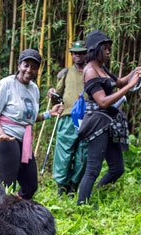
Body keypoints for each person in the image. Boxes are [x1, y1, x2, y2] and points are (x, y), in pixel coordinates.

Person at [0, 49, 63, 199]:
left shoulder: (34, 89)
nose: (29, 70)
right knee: (5, 185)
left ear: (37, 70)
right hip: (4, 137)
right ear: (19, 65)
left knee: (30, 186)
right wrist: (1, 133)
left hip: (23, 139)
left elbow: (27, 118)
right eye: (26, 65)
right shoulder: (6, 84)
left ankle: (13, 211)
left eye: (34, 67)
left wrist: (49, 113)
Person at [76, 30, 141, 205]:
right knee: (93, 168)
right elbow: (103, 102)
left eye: (109, 48)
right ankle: (81, 206)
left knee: (117, 168)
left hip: (109, 123)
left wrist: (133, 74)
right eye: (105, 48)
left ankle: (97, 193)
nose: (108, 52)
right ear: (96, 49)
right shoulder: (91, 71)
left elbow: (118, 82)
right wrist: (130, 86)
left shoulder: (102, 67)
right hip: (98, 123)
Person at [47, 40, 89, 195]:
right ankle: (61, 186)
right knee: (64, 153)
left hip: (87, 118)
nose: (78, 56)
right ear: (71, 55)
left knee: (83, 154)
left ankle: (74, 185)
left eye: (81, 53)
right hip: (68, 117)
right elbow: (57, 95)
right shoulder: (65, 73)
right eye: (75, 53)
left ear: (86, 54)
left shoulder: (91, 71)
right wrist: (52, 94)